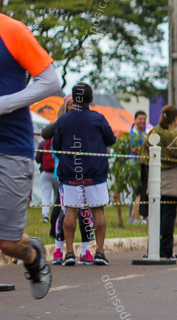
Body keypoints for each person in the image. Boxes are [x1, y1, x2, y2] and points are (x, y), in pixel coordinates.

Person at [0, 11, 60, 297]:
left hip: (10, 148)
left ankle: (33, 255)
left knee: (8, 242)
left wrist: (4, 104)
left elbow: (50, 82)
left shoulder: (11, 30)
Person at [53, 82, 115, 266]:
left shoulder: (63, 120)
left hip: (71, 173)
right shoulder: (98, 118)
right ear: (91, 99)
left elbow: (56, 147)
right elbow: (111, 139)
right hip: (95, 172)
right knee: (98, 211)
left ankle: (69, 253)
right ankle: (100, 253)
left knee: (71, 211)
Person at [145, 105, 177, 260]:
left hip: (154, 180)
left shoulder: (154, 132)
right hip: (172, 181)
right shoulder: (175, 135)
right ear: (175, 118)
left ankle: (152, 249)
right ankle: (166, 251)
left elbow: (144, 151)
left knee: (155, 217)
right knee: (168, 218)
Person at [130, 110, 150, 223]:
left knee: (140, 193)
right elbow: (134, 149)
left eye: (144, 119)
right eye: (140, 119)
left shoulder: (145, 134)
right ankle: (135, 218)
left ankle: (134, 218)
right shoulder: (133, 133)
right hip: (135, 168)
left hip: (144, 167)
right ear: (135, 120)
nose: (142, 121)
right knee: (138, 193)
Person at [36, 136, 56, 222]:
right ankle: (56, 215)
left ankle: (45, 216)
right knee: (58, 195)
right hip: (56, 172)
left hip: (45, 173)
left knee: (46, 195)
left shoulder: (42, 143)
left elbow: (37, 159)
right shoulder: (58, 142)